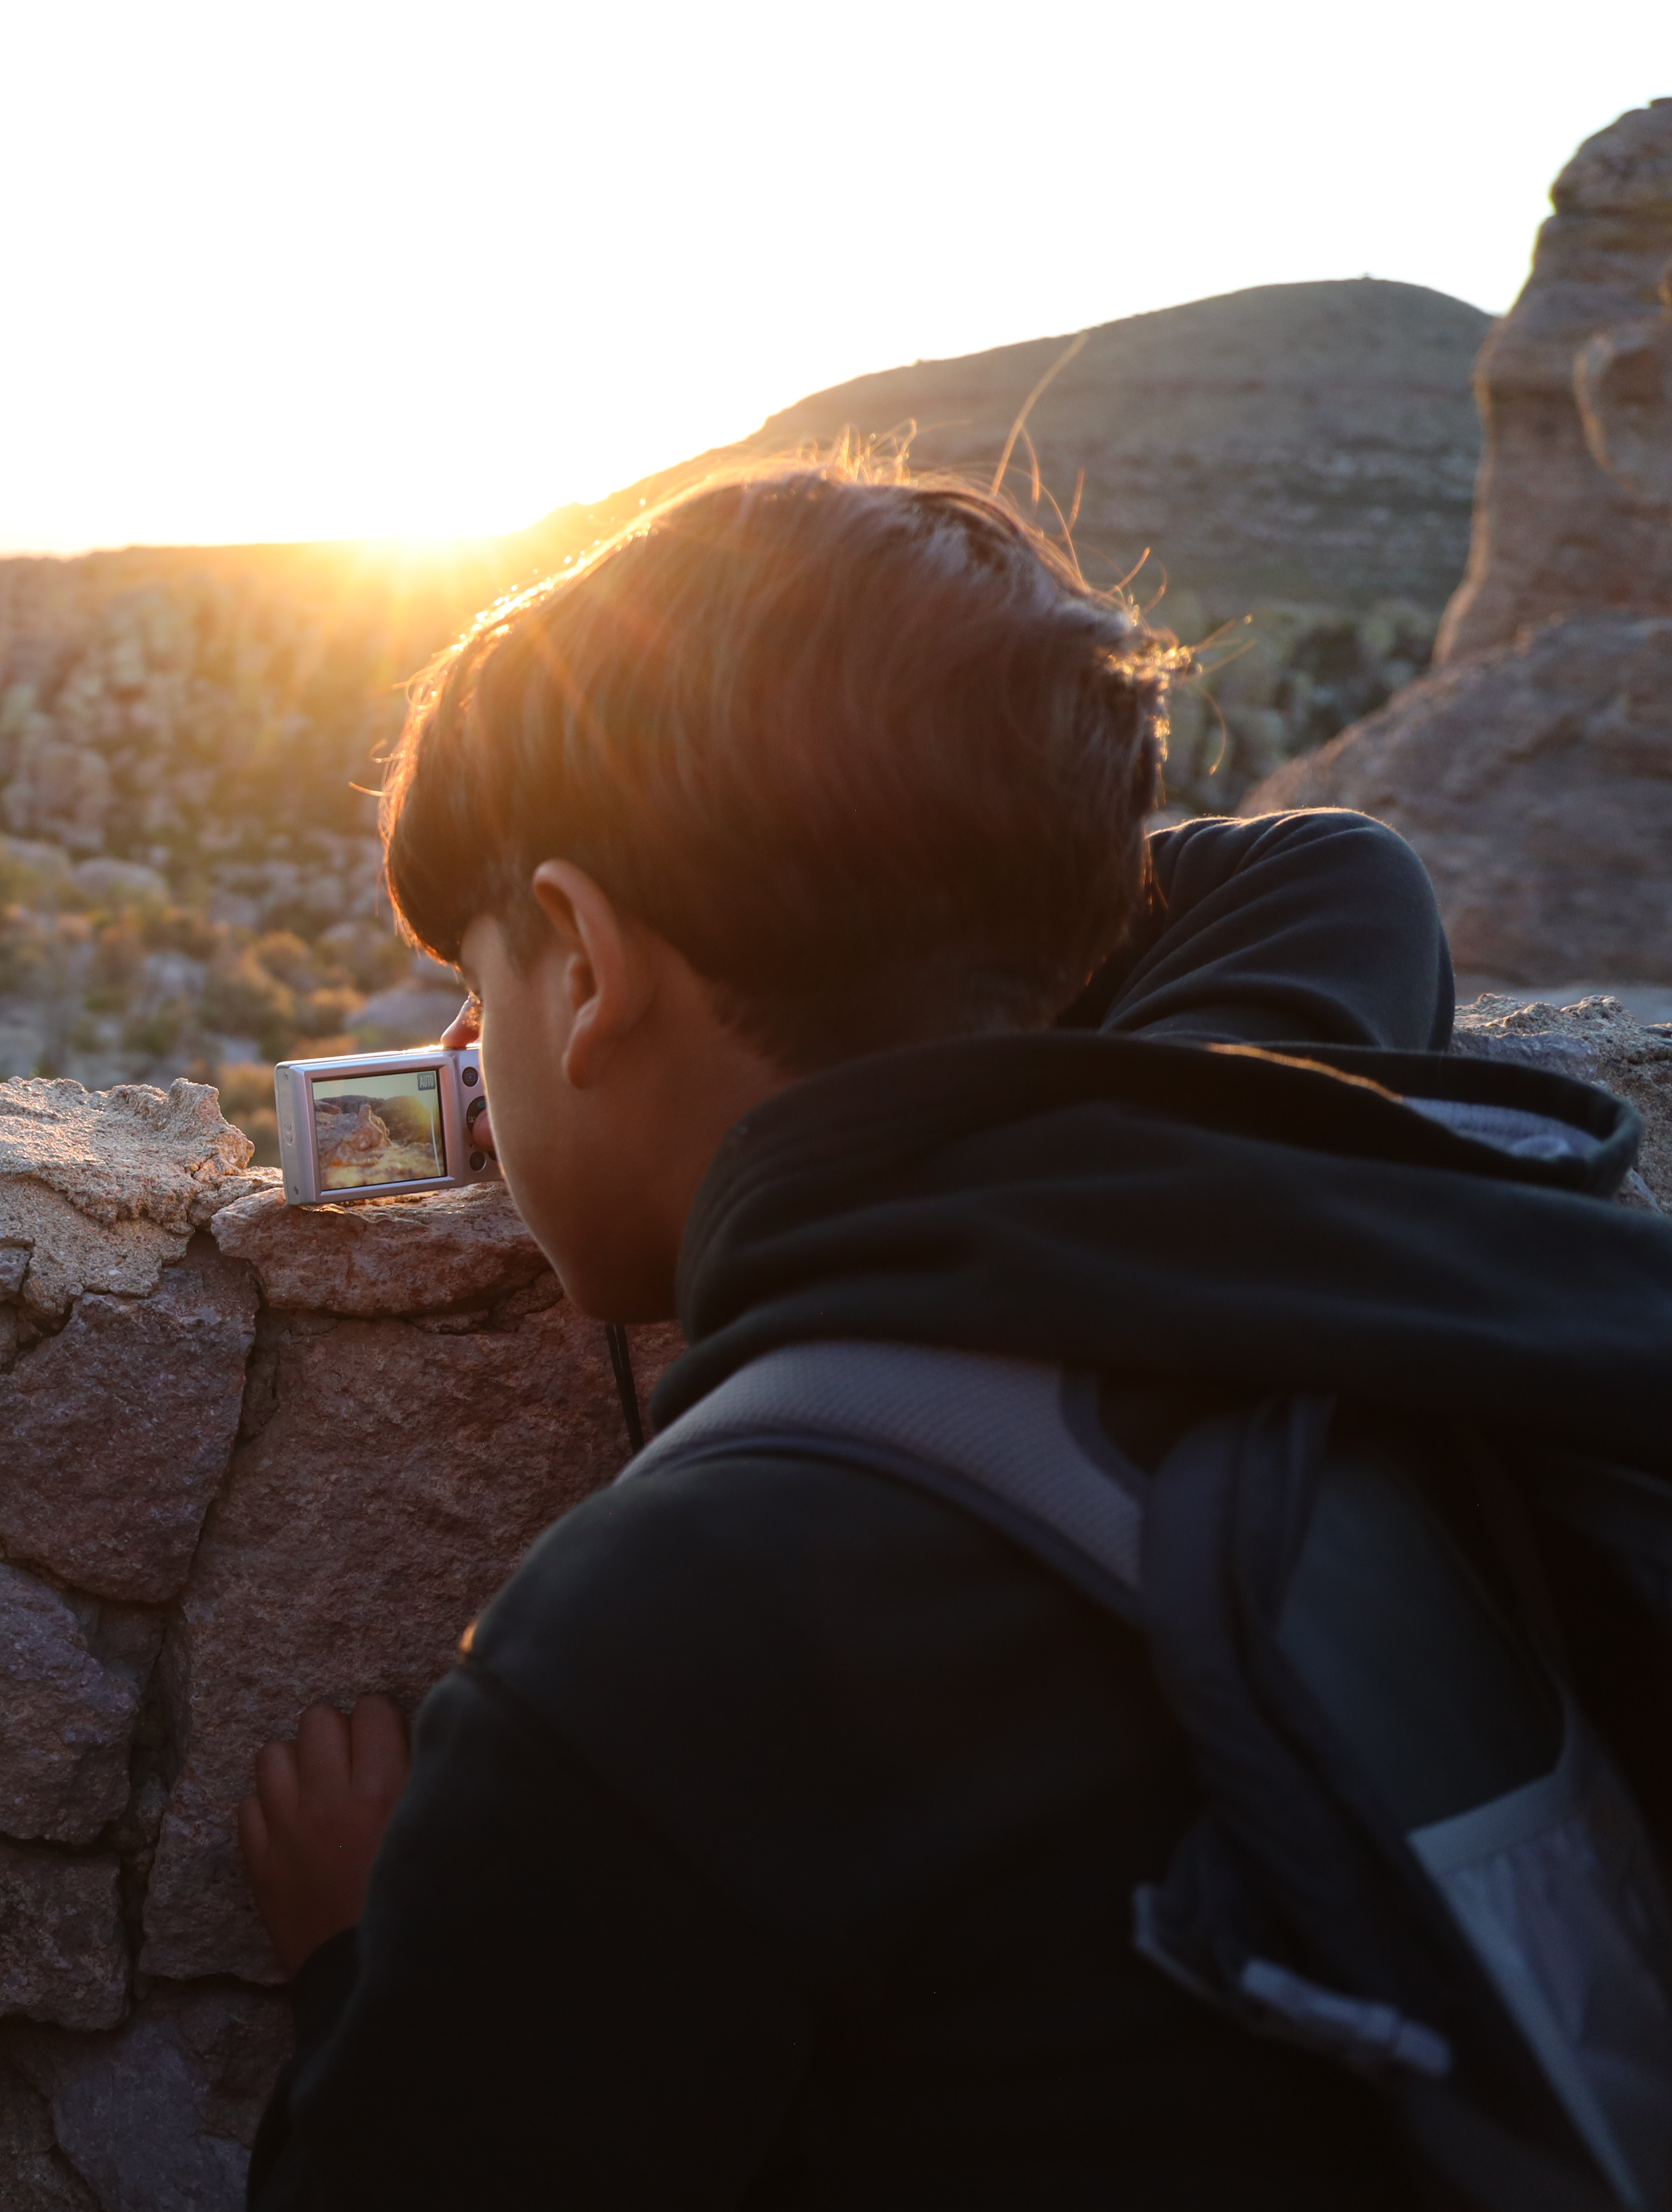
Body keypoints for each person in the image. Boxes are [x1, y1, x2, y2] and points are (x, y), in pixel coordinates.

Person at [238, 465, 1672, 2205]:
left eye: (485, 996)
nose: (472, 1061)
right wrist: (949, 908)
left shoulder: (654, 1644)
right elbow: (1327, 870)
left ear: (586, 963)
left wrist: (351, 1955)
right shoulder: (1252, 1197)